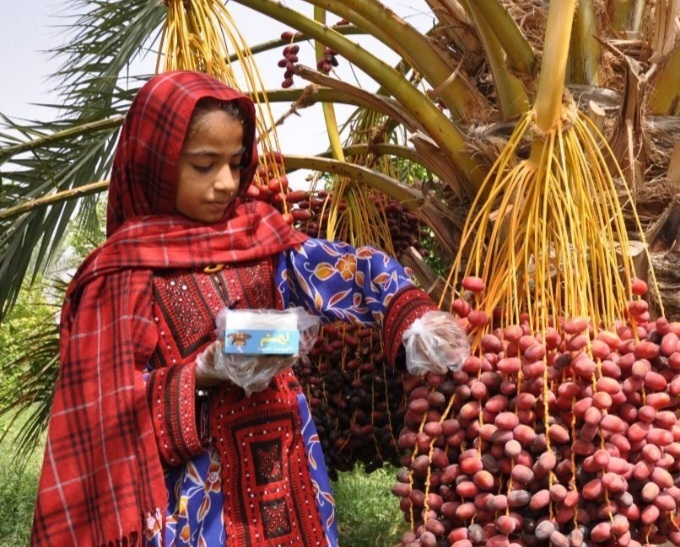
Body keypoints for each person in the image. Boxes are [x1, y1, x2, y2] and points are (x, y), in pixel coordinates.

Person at [30, 71, 468, 547]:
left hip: (288, 467)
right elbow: (104, 409)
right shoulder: (119, 276)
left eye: (236, 164)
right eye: (203, 165)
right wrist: (201, 373)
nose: (225, 183)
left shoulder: (259, 237)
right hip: (195, 499)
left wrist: (409, 314)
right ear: (155, 163)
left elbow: (348, 268)